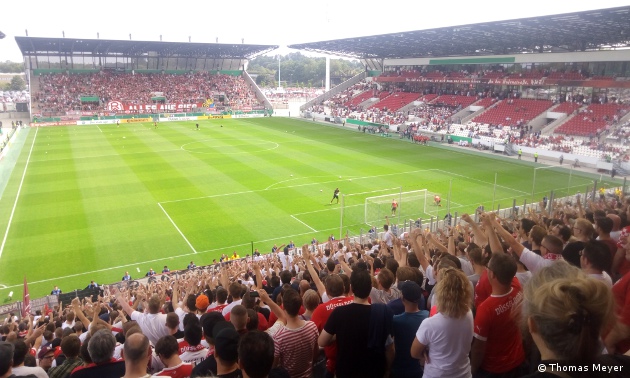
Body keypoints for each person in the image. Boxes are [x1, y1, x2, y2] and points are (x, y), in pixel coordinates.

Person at [319, 269, 393, 378]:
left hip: (347, 371)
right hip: (375, 370)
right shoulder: (381, 313)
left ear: (351, 288)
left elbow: (322, 341)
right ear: (371, 287)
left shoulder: (339, 312)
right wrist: (387, 370)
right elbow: (390, 349)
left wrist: (338, 334)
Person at [411, 267, 473, 378]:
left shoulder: (430, 324)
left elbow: (414, 353)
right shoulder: (469, 313)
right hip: (463, 373)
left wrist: (425, 352)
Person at [470, 254, 525, 377]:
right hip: (517, 360)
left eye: (487, 268)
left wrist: (472, 369)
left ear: (492, 274)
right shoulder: (517, 286)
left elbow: (478, 348)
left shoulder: (486, 309)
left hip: (493, 368)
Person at [391, 281, 428, 378]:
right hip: (422, 368)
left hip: (401, 369)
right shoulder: (428, 316)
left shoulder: (395, 320)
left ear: (402, 298)